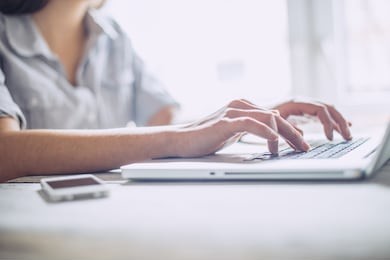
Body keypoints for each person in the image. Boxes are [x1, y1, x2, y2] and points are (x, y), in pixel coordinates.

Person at [0, 0, 352, 182]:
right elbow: (4, 152)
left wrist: (248, 118)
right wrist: (176, 139)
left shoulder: (113, 37)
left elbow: (168, 121)